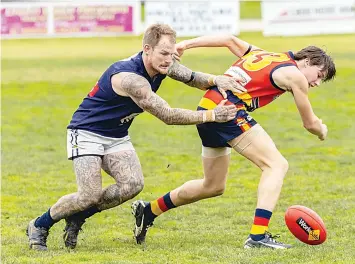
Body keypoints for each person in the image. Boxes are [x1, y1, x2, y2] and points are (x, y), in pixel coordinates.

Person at [25, 24, 247, 251]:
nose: (169, 60)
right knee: (88, 194)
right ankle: (39, 225)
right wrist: (212, 115)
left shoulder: (164, 63)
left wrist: (216, 80)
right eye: (163, 53)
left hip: (116, 134)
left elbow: (191, 77)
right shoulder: (131, 78)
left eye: (172, 54)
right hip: (86, 131)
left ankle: (78, 216)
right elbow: (168, 116)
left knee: (132, 185)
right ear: (147, 49)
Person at [132, 35, 336, 249]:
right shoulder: (296, 76)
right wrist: (321, 130)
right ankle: (257, 237)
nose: (317, 82)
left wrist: (185, 44)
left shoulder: (264, 54)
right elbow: (309, 123)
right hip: (228, 113)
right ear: (307, 61)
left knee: (212, 186)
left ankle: (149, 210)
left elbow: (230, 40)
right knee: (276, 165)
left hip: (210, 110)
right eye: (319, 75)